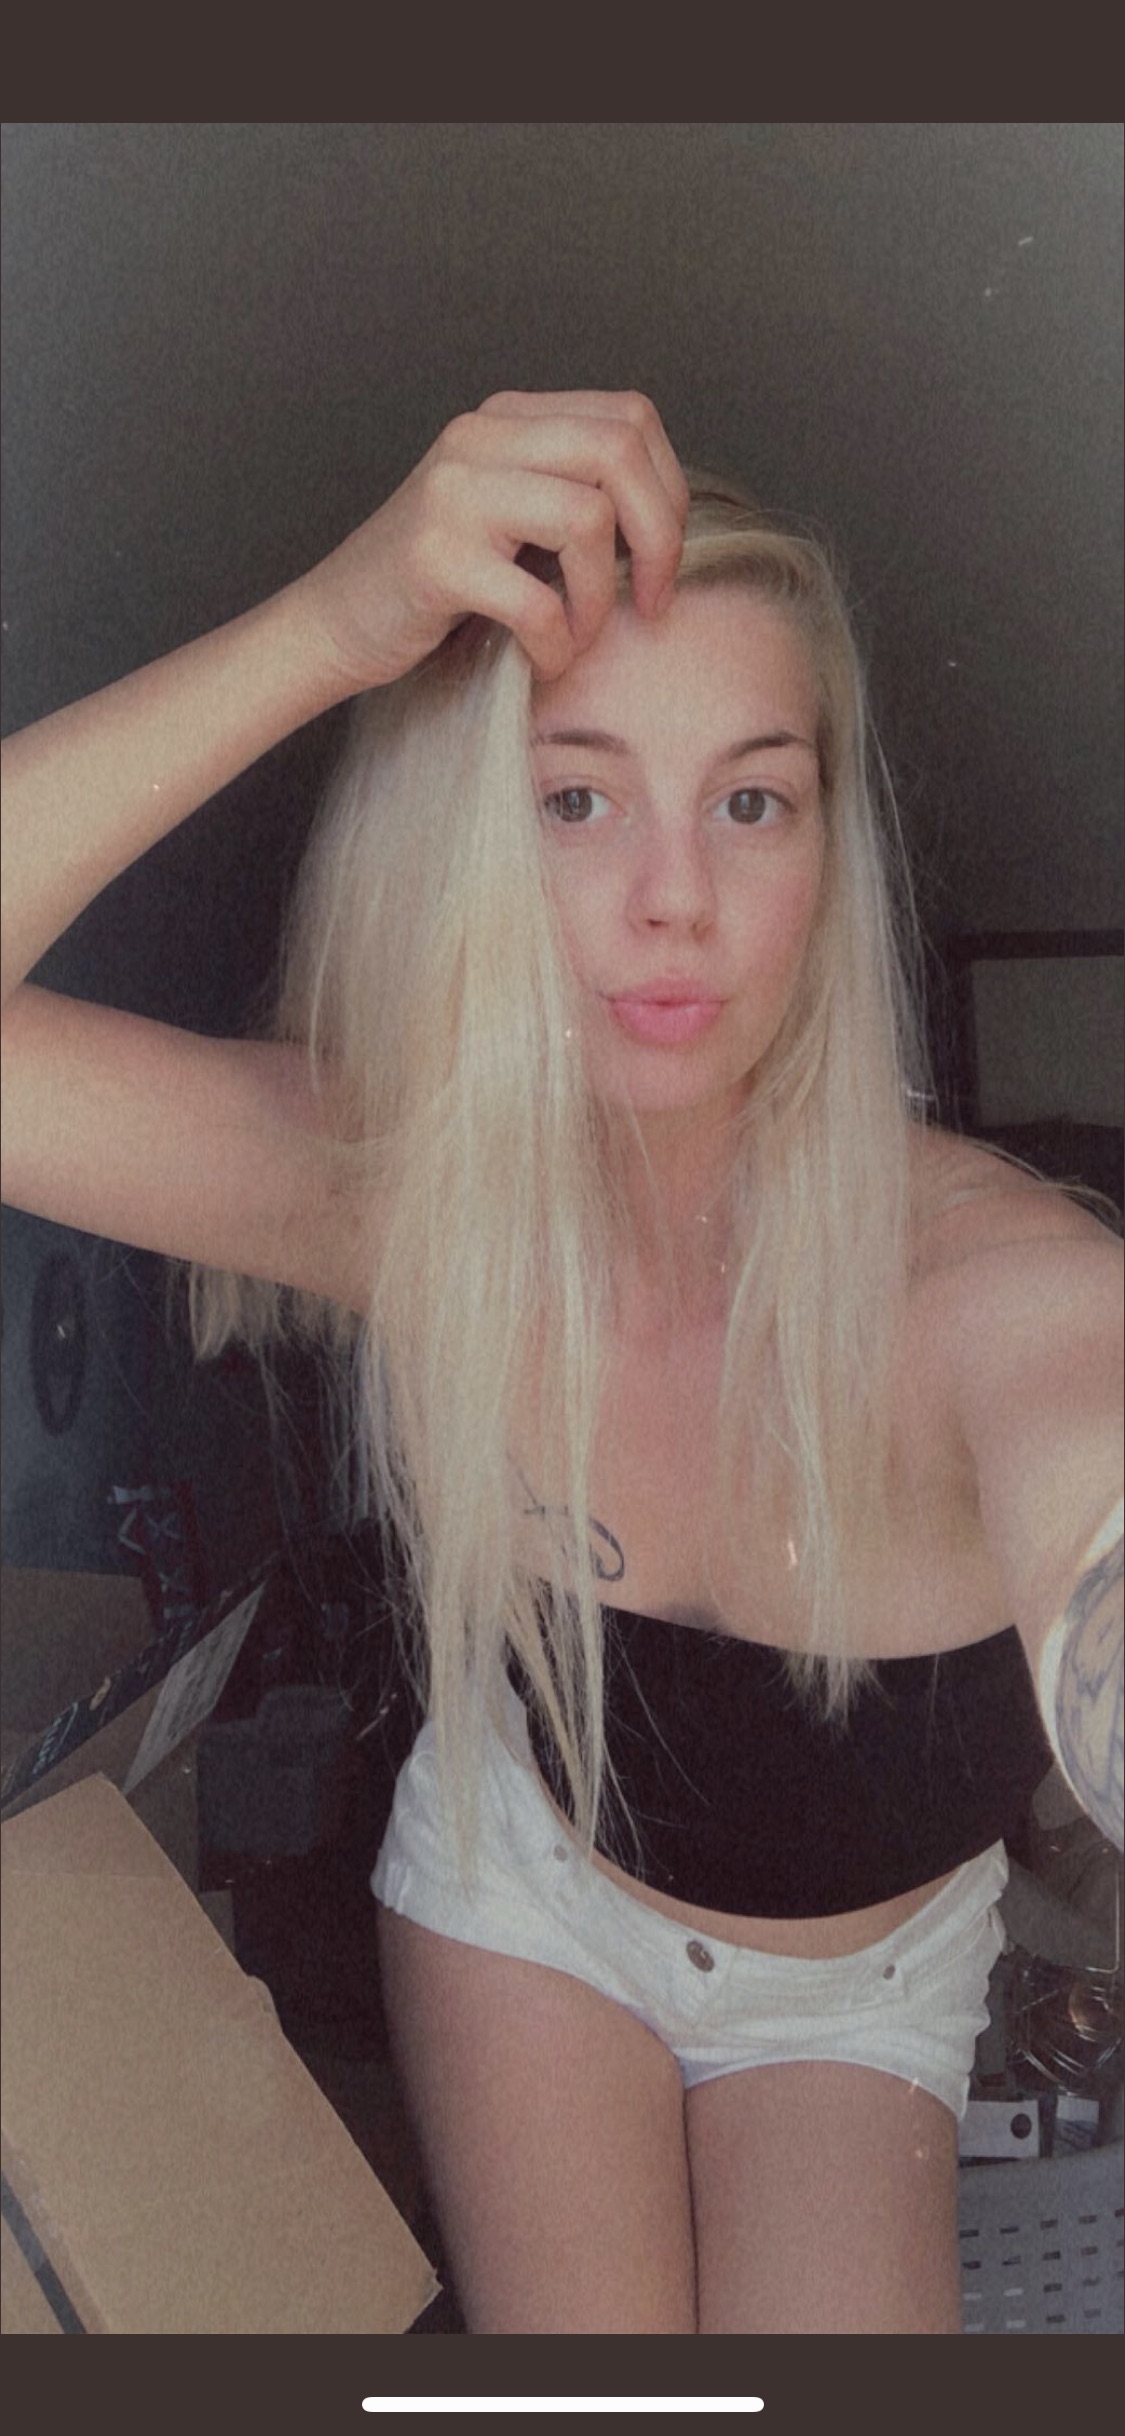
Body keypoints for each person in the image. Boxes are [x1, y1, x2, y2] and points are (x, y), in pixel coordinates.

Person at [1, 391, 1121, 2336]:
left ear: (825, 854)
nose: (671, 893)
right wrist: (328, 628)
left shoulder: (993, 1295)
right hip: (525, 1893)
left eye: (748, 801)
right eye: (574, 798)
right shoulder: (402, 1195)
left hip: (855, 1993)